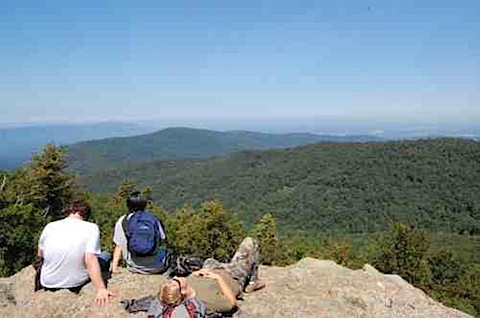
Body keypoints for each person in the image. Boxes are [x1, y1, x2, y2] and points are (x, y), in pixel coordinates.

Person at [153, 237, 265, 316]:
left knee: (209, 260)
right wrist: (217, 278)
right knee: (250, 242)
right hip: (232, 276)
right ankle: (252, 283)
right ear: (182, 291)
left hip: (214, 270)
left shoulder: (186, 286)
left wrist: (196, 274)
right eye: (175, 281)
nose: (176, 277)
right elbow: (232, 303)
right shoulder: (207, 301)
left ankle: (221, 267)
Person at [37, 200, 114, 306]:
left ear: (69, 211)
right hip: (74, 284)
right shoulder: (91, 228)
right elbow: (90, 259)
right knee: (105, 255)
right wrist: (101, 289)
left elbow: (40, 254)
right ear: (86, 214)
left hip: (48, 282)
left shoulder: (50, 226)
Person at [111, 191, 169, 274]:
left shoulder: (123, 220)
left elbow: (118, 246)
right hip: (156, 267)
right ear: (144, 205)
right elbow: (162, 239)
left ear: (128, 205)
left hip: (134, 266)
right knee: (165, 253)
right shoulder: (152, 218)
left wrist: (114, 267)